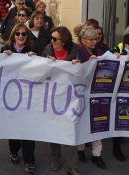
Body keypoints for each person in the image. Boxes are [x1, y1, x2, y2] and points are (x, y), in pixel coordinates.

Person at [41, 26, 84, 175]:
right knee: (55, 129)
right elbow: (39, 71)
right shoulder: (47, 50)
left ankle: (73, 165)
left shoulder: (76, 51)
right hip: (53, 98)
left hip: (71, 98)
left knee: (71, 131)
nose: (52, 41)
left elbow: (85, 71)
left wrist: (80, 65)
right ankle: (56, 158)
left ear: (64, 41)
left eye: (55, 39)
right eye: (51, 38)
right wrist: (45, 63)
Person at [0, 23, 37, 173]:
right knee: (14, 128)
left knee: (28, 130)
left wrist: (36, 59)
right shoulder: (5, 50)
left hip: (28, 97)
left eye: (24, 34)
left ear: (28, 36)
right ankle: (14, 150)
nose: (21, 36)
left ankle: (30, 160)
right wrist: (4, 58)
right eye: (18, 34)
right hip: (12, 97)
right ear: (13, 35)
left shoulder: (33, 51)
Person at [74, 25, 105, 169]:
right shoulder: (76, 52)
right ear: (83, 40)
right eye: (91, 39)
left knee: (97, 122)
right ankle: (80, 150)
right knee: (83, 122)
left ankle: (96, 154)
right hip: (81, 93)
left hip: (97, 93)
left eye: (96, 39)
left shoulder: (100, 52)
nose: (94, 42)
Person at [112, 33, 129, 165]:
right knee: (121, 124)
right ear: (126, 45)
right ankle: (116, 150)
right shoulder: (119, 55)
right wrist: (122, 58)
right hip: (122, 97)